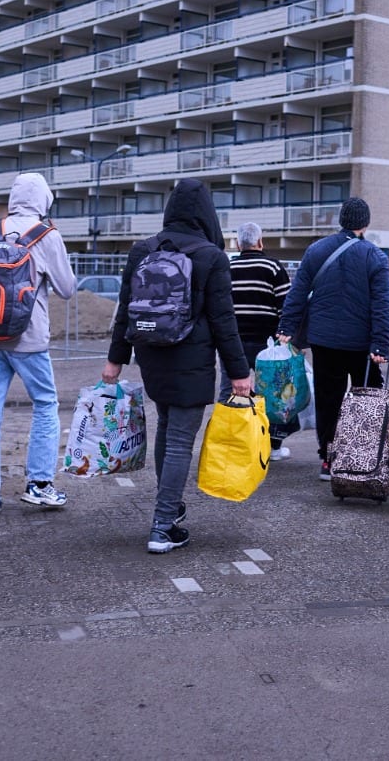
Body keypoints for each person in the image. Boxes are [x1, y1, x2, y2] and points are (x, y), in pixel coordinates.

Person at [104, 180, 252, 554]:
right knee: (180, 442)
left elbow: (125, 310)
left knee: (168, 430)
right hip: (191, 356)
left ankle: (168, 508)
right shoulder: (211, 256)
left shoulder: (143, 249)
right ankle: (163, 525)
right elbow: (224, 321)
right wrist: (239, 371)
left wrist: (115, 360)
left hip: (151, 353)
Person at [0, 172, 78, 523]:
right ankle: (38, 484)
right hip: (27, 338)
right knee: (46, 403)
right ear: (44, 201)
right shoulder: (47, 236)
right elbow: (67, 289)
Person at [275, 196, 389, 480]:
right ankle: (361, 457)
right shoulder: (375, 256)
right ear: (365, 224)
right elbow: (382, 304)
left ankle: (328, 458)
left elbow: (297, 293)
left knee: (329, 400)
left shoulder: (316, 250)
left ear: (342, 220)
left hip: (324, 340)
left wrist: (286, 327)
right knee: (366, 398)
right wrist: (380, 343)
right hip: (362, 345)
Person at [222, 222, 293, 460]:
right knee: (273, 395)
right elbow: (286, 306)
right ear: (260, 242)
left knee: (231, 391)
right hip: (267, 344)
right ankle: (272, 447)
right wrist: (286, 337)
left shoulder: (227, 268)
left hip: (234, 343)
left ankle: (232, 444)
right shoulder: (273, 267)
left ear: (239, 244)